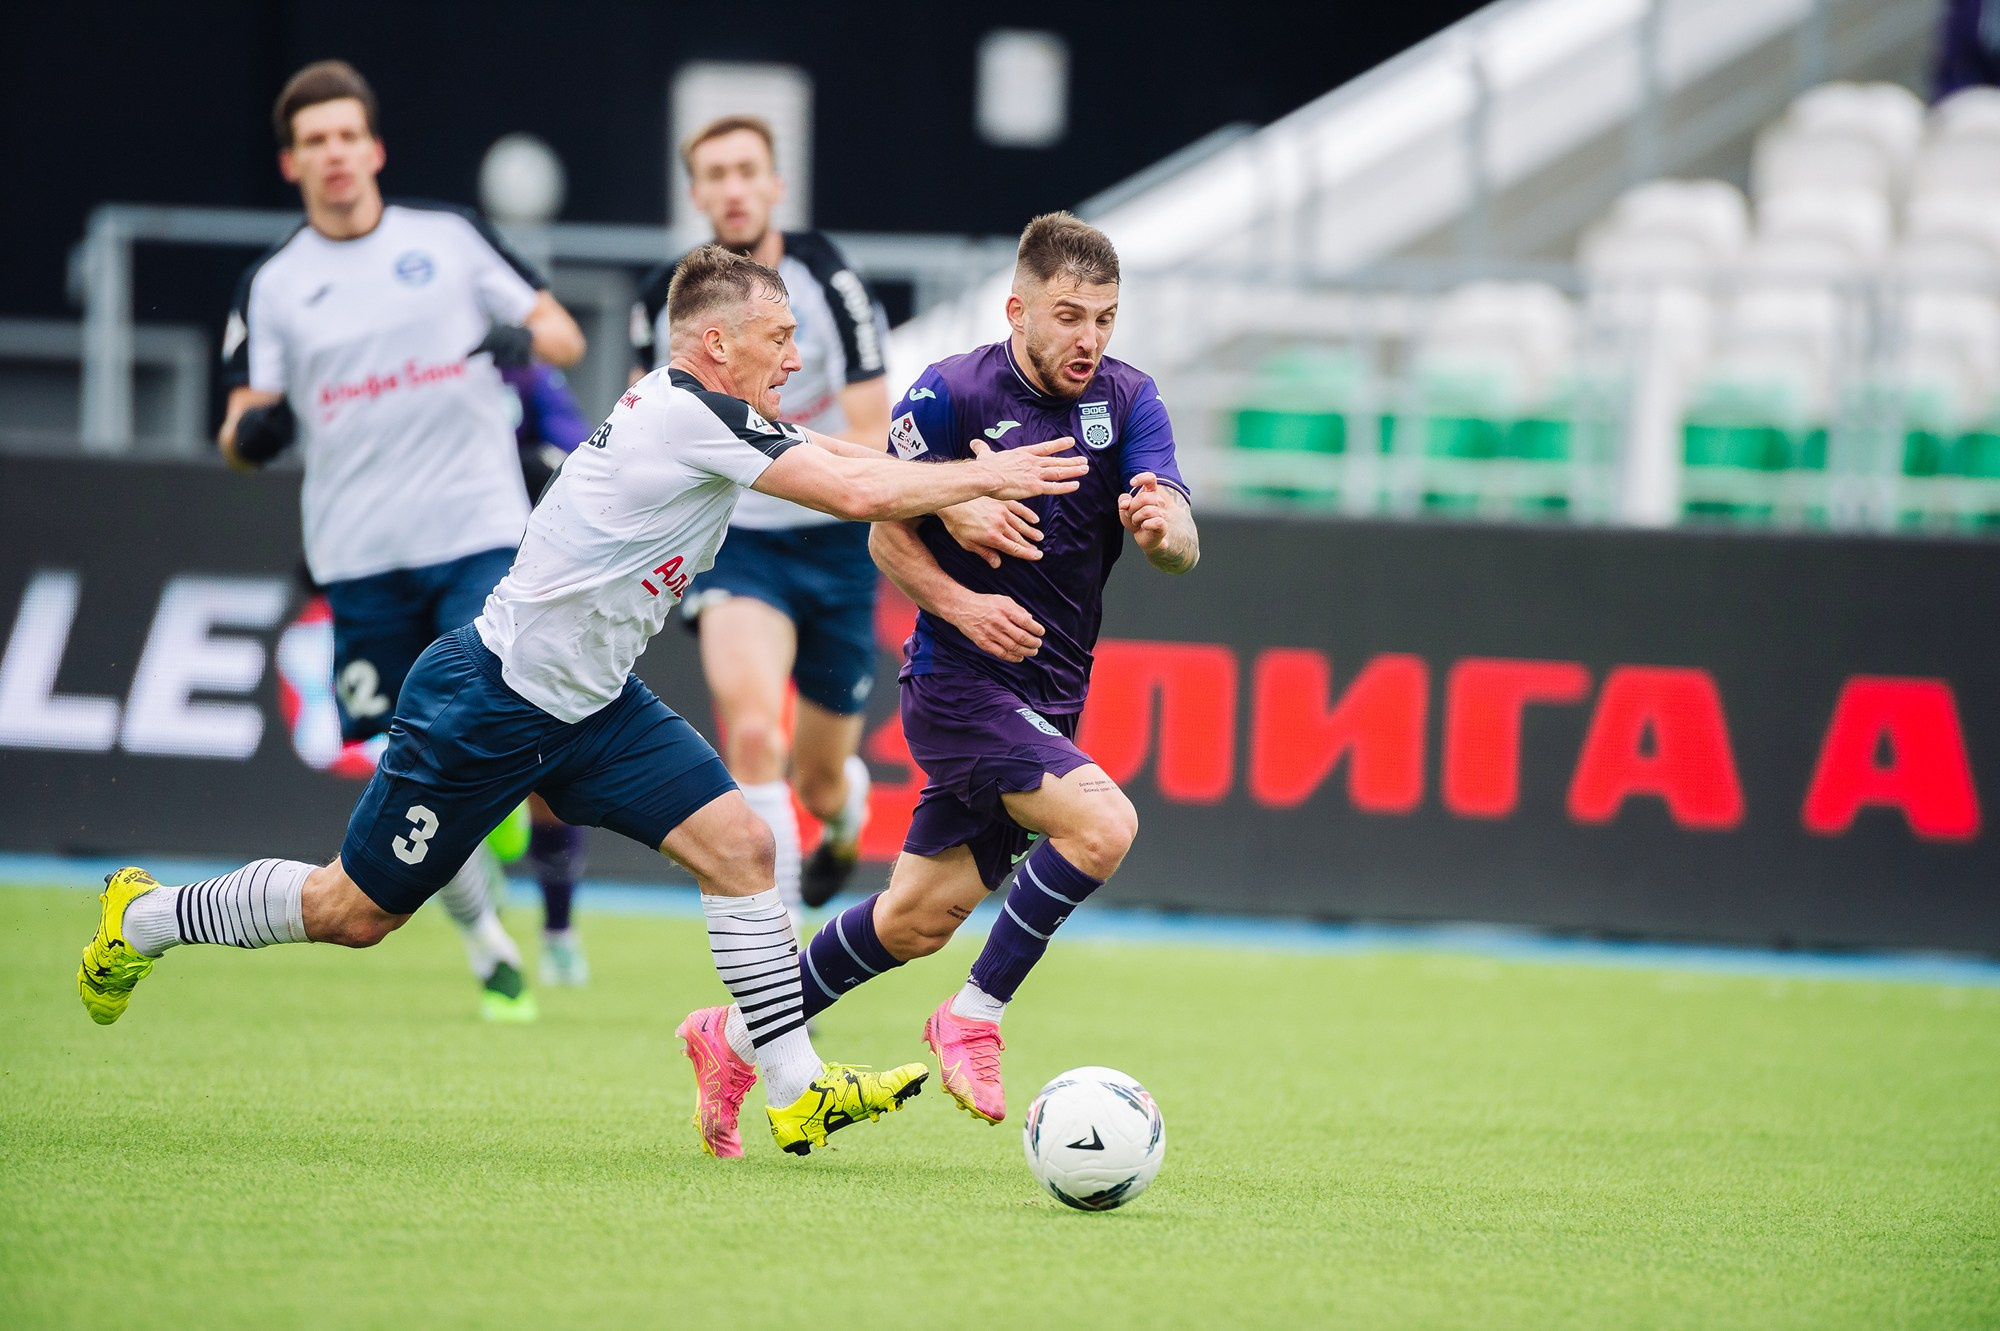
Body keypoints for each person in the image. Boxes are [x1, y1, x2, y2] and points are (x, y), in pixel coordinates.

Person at [77, 244, 1089, 1158]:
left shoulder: (714, 408)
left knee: (742, 847)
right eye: (779, 338)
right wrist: (980, 474)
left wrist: (952, 483)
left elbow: (845, 455)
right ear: (715, 339)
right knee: (352, 910)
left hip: (591, 707)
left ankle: (792, 1089)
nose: (793, 357)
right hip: (490, 702)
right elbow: (856, 492)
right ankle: (152, 915)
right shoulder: (687, 414)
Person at [676, 212, 1198, 1142]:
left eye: (1106, 319)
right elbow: (886, 534)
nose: (1089, 339)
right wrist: (962, 605)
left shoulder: (1129, 401)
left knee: (918, 917)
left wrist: (1165, 532)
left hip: (1050, 694)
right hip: (959, 684)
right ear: (1018, 308)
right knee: (1105, 823)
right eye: (1069, 316)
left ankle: (733, 1036)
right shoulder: (949, 395)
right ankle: (974, 1016)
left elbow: (1182, 543)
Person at [215, 60, 587, 1020]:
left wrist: (527, 339)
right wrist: (252, 436)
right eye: (315, 142)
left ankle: (507, 860)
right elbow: (239, 423)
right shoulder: (276, 284)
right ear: (292, 162)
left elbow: (562, 333)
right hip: (360, 557)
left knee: (485, 713)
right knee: (407, 763)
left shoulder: (449, 240)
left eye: (348, 136)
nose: (335, 154)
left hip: (475, 529)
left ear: (373, 148)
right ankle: (484, 935)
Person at [630, 115, 892, 916]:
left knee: (816, 776)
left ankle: (845, 814)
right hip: (739, 540)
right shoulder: (666, 300)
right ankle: (778, 980)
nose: (735, 188)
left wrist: (767, 450)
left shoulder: (828, 277)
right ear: (697, 194)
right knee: (752, 739)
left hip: (841, 538)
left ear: (776, 185)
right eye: (717, 174)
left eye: (749, 170)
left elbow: (874, 429)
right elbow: (665, 434)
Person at [499, 361, 595, 986]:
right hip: (439, 574)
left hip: (530, 578)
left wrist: (536, 465)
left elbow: (578, 455)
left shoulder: (523, 375)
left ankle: (558, 929)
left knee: (547, 773)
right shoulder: (407, 369)